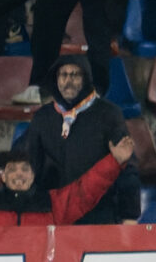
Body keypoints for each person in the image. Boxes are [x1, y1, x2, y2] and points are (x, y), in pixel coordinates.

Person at [0, 126, 130, 227]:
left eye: (25, 169)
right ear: (2, 176)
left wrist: (114, 161)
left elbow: (86, 190)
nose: (19, 174)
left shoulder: (53, 205)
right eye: (12, 169)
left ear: (33, 176)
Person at [19, 56, 136, 225]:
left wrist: (130, 215)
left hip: (100, 215)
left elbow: (127, 165)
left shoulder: (108, 114)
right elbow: (31, 165)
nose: (69, 81)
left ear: (86, 78)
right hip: (54, 216)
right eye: (63, 75)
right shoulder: (43, 117)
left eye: (75, 75)